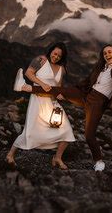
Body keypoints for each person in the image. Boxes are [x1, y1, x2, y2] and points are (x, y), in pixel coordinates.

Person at [14, 25, 112, 171]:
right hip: (85, 94)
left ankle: (99, 161)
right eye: (105, 53)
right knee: (59, 89)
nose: (107, 55)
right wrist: (71, 92)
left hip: (98, 102)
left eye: (109, 52)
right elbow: (87, 82)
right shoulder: (100, 68)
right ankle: (26, 87)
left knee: (89, 135)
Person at [6, 42, 75, 170]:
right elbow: (28, 73)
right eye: (55, 53)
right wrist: (42, 84)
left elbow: (57, 87)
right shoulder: (40, 60)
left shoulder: (62, 69)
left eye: (59, 56)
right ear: (50, 52)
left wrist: (60, 95)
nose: (56, 57)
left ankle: (57, 158)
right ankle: (10, 154)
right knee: (30, 132)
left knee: (67, 131)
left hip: (53, 104)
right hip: (37, 101)